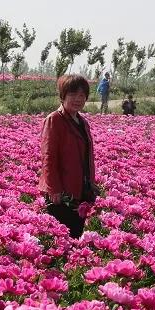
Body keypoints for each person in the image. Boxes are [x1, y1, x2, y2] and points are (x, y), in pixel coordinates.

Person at [39, 74, 98, 238]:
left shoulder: (83, 122)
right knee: (62, 236)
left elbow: (87, 155)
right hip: (62, 192)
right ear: (63, 96)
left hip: (81, 189)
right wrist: (54, 188)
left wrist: (91, 183)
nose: (77, 99)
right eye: (72, 94)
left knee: (77, 233)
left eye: (82, 95)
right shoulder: (54, 120)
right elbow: (48, 157)